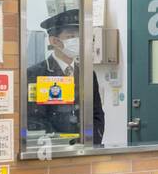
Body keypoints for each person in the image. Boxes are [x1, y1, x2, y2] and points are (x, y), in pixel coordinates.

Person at [26, 9, 105, 145]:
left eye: (80, 36)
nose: (78, 41)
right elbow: (35, 118)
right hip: (53, 149)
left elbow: (96, 114)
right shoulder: (37, 73)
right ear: (54, 41)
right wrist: (61, 143)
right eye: (71, 37)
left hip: (84, 149)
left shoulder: (87, 74)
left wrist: (91, 141)